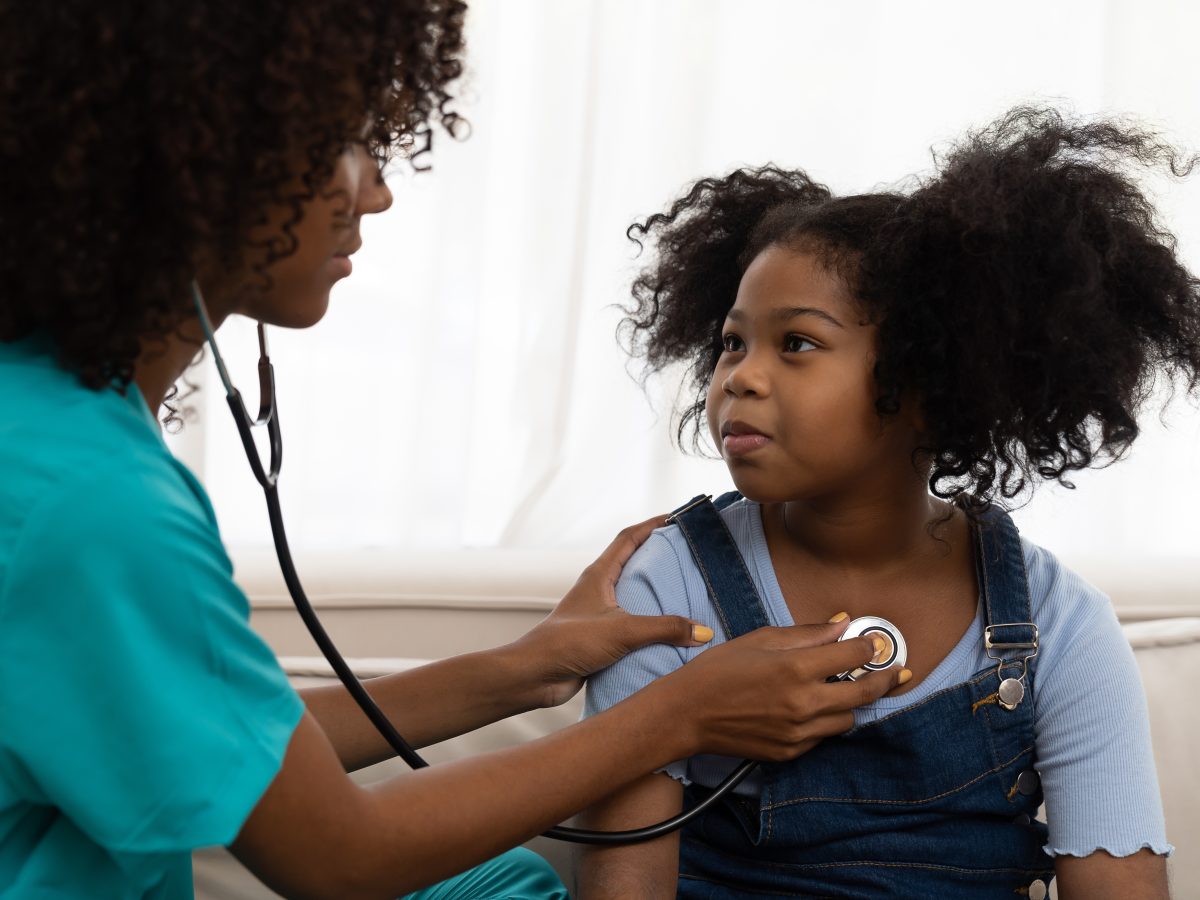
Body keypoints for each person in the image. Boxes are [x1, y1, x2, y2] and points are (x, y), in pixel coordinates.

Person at [0, 2, 912, 898]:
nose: (375, 192)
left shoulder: (48, 423)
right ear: (201, 151)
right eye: (344, 143)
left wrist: (526, 667)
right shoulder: (91, 502)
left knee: (501, 884)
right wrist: (680, 713)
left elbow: (247, 750)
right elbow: (341, 858)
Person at [578, 107, 1199, 899]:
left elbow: (1120, 888)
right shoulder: (667, 586)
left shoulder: (1061, 624)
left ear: (927, 383)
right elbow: (621, 885)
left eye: (796, 343)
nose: (740, 376)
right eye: (733, 342)